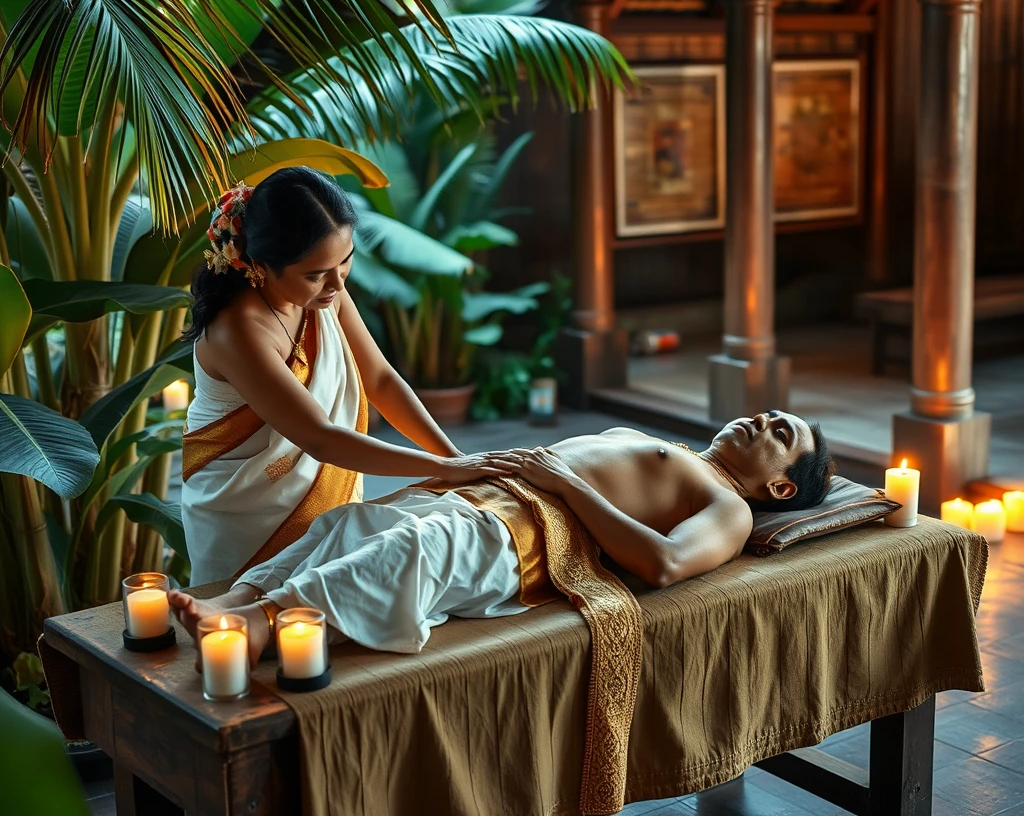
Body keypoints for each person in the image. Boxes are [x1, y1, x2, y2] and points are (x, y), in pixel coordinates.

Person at [171, 411, 836, 663]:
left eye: (782, 434)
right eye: (766, 413)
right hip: (489, 495)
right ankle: (239, 603)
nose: (761, 421)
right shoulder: (674, 446)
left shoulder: (729, 506)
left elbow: (662, 564)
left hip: (529, 536)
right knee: (351, 521)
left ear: (780, 487)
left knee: (411, 553)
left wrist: (569, 485)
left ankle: (261, 627)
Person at [180, 167, 512, 586]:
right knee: (247, 621)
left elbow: (381, 381)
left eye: (346, 261)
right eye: (316, 273)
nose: (337, 283)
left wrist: (455, 459)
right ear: (259, 263)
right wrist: (443, 470)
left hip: (319, 487)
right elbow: (320, 438)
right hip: (245, 514)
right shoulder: (237, 331)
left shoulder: (323, 293)